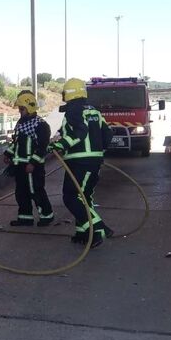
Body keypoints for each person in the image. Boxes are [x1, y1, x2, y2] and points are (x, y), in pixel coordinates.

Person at [50, 78, 115, 248]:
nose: (63, 96)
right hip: (94, 162)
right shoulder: (94, 111)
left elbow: (80, 132)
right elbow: (108, 135)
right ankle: (83, 233)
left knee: (70, 197)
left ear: (70, 93)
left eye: (64, 92)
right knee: (84, 197)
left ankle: (98, 228)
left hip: (79, 162)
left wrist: (59, 145)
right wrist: (99, 152)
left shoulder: (73, 110)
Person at [4, 90, 55, 227]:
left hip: (33, 167)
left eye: (21, 109)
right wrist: (8, 154)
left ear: (29, 107)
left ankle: (47, 216)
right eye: (19, 109)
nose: (19, 111)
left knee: (36, 191)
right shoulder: (21, 123)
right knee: (21, 193)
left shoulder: (40, 125)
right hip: (20, 166)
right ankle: (25, 218)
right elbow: (16, 143)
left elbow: (42, 147)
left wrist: (33, 162)